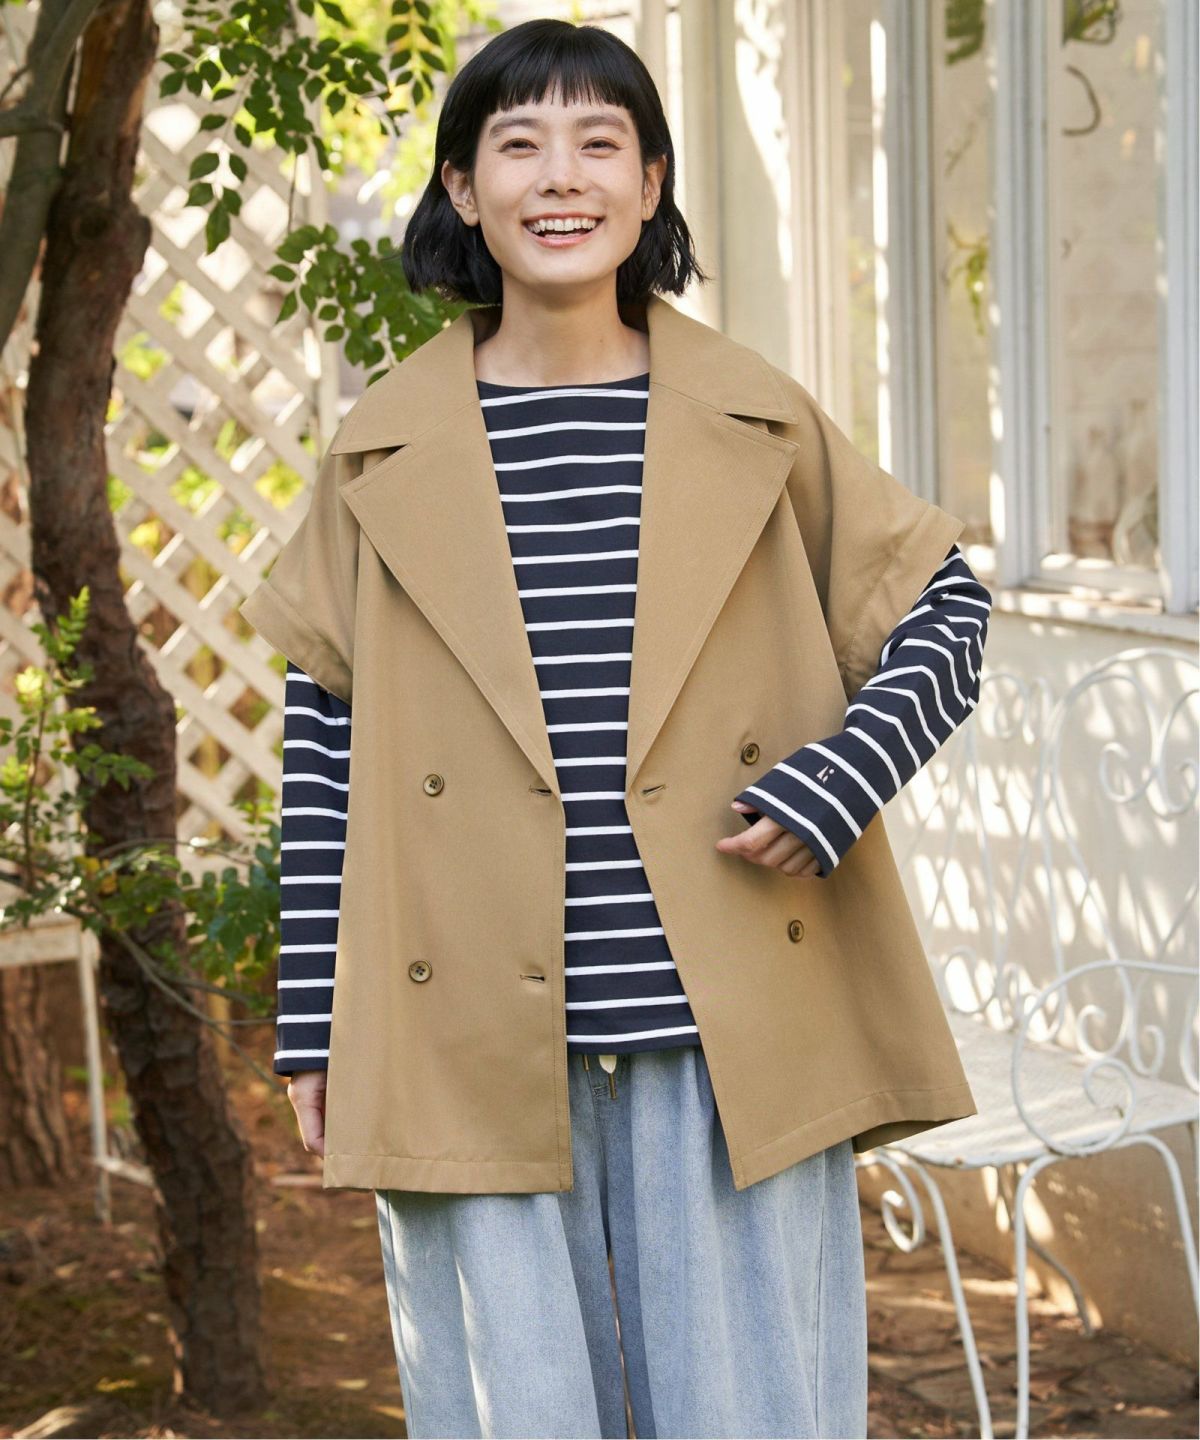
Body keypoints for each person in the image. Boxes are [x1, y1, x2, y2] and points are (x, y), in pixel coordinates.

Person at [267, 18, 991, 1439]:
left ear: (651, 183)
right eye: (519, 143)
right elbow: (324, 743)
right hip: (462, 1024)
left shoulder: (756, 414)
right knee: (511, 1413)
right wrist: (313, 1023)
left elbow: (946, 611)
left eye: (600, 141)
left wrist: (842, 778)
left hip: (727, 1025)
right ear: (463, 188)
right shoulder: (377, 446)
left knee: (750, 1412)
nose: (562, 176)